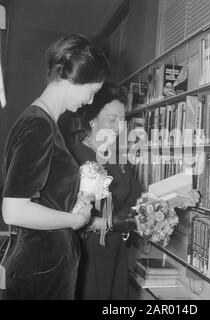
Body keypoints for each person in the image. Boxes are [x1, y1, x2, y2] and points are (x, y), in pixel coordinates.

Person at [0, 34, 111, 300]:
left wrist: (72, 204)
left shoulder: (41, 122)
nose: (89, 101)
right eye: (92, 91)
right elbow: (14, 210)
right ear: (74, 80)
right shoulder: (40, 126)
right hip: (40, 269)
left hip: (44, 265)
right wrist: (74, 219)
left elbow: (42, 196)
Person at [64, 82, 143, 300]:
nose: (119, 126)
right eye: (112, 119)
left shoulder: (120, 158)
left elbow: (139, 198)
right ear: (92, 119)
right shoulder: (72, 158)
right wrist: (108, 223)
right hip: (86, 258)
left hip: (116, 254)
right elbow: (65, 219)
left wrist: (172, 198)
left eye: (122, 120)